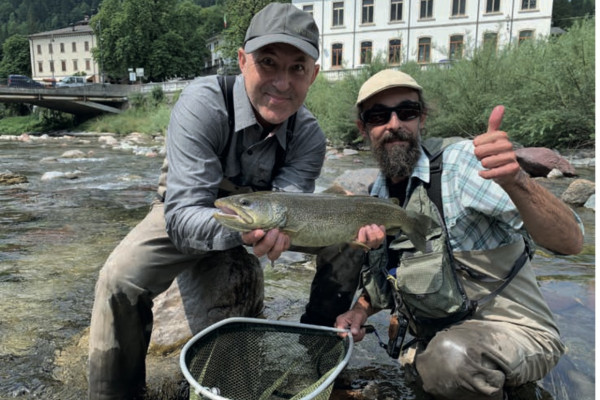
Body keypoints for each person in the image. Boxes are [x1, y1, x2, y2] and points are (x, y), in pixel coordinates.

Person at [87, 4, 374, 399]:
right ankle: (116, 392)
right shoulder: (203, 104)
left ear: (314, 75)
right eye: (267, 63)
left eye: (297, 68)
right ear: (241, 61)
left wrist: (274, 233)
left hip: (261, 217)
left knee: (349, 238)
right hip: (190, 209)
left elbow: (289, 209)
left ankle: (319, 349)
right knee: (119, 279)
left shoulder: (309, 136)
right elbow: (184, 216)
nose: (281, 82)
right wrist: (244, 235)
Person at [334, 69, 584, 400]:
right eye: (379, 116)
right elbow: (387, 278)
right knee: (438, 365)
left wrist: (517, 181)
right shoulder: (378, 196)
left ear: (421, 119)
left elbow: (572, 241)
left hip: (515, 332)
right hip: (440, 342)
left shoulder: (462, 164)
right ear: (363, 129)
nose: (394, 124)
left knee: (450, 361)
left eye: (406, 111)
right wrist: (360, 310)